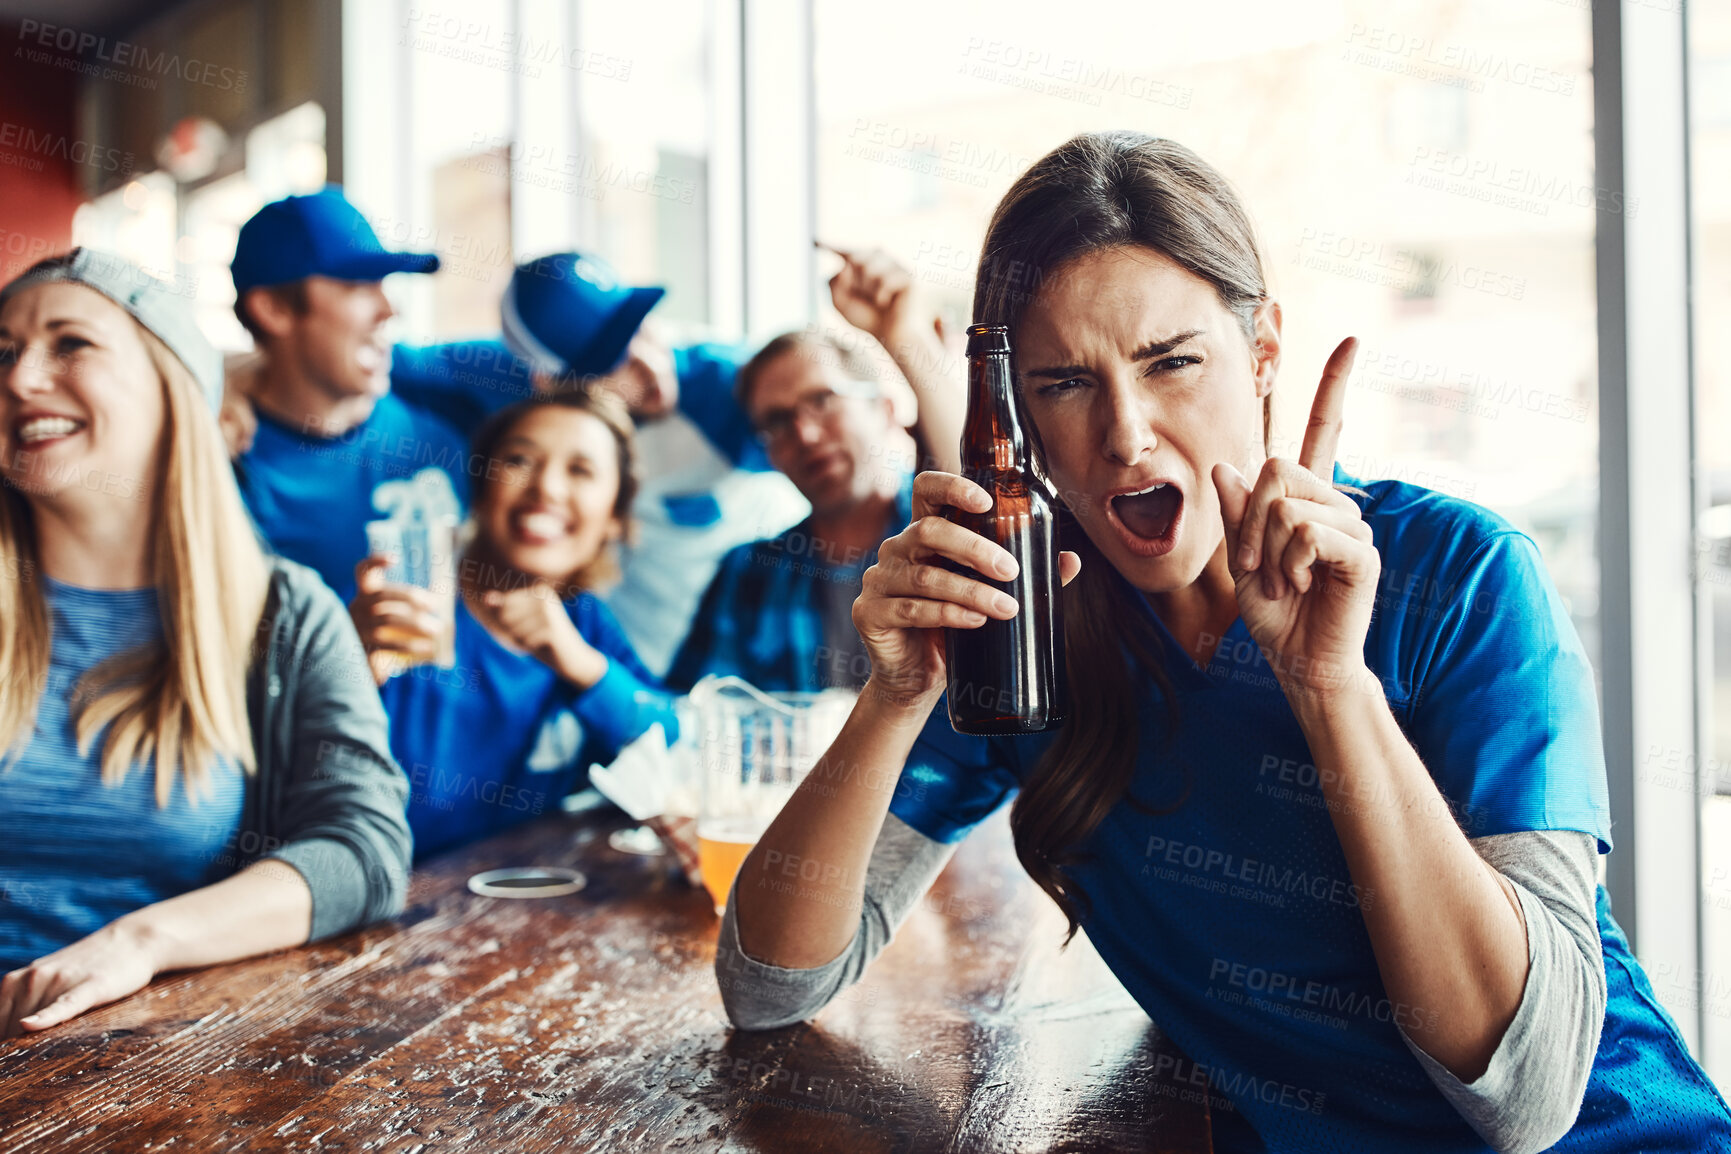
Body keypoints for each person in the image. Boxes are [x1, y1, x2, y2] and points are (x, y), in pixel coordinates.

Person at [716, 133, 1731, 1152]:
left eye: (1173, 363)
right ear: (1019, 407)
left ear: (1263, 356)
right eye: (1066, 381)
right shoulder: (1025, 623)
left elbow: (1528, 1096)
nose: (1126, 432)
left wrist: (1332, 688)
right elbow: (768, 983)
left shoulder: (1457, 573)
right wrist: (894, 701)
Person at [0, 250, 410, 1036]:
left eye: (70, 344)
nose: (21, 380)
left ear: (173, 386)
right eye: (3, 354)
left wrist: (142, 942)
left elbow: (364, 852)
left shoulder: (284, 615)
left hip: (146, 1066)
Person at [387, 247, 959, 676]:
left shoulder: (727, 384)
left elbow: (969, 483)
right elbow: (390, 362)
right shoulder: (751, 582)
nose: (645, 360)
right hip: (647, 678)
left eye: (637, 323)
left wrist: (905, 337)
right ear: (553, 384)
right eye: (610, 357)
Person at [352, 389, 678, 861]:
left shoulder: (584, 624)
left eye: (581, 470)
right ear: (481, 493)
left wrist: (583, 667)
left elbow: (676, 745)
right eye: (520, 460)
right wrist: (351, 665)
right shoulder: (407, 601)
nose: (546, 488)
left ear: (614, 518)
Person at [665, 323, 957, 693]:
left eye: (822, 400)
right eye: (777, 421)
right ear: (768, 452)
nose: (806, 434)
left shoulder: (943, 538)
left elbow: (981, 489)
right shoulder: (747, 575)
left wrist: (904, 330)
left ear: (884, 408)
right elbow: (689, 717)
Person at [225, 186, 471, 603]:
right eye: (358, 284)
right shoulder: (225, 469)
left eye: (383, 283)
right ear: (273, 309)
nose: (389, 310)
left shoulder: (446, 436)